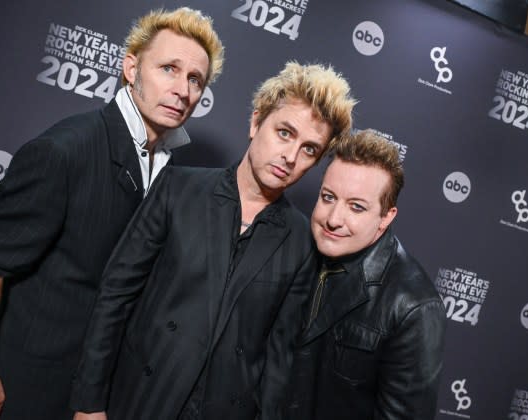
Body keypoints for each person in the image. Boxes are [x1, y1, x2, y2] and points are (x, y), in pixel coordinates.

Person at [0, 8, 224, 420]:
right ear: (130, 68)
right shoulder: (65, 150)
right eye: (169, 68)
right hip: (25, 393)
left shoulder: (168, 169)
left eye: (195, 80)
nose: (183, 90)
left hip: (100, 394)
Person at [69, 61, 356, 420]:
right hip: (142, 400)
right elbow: (115, 296)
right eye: (284, 133)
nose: (291, 156)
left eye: (310, 150)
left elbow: (279, 361)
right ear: (256, 123)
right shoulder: (178, 189)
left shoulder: (302, 241)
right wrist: (89, 403)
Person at [285, 130, 446, 420]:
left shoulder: (414, 306)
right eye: (328, 197)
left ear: (386, 217)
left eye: (356, 207)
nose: (333, 219)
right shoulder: (297, 251)